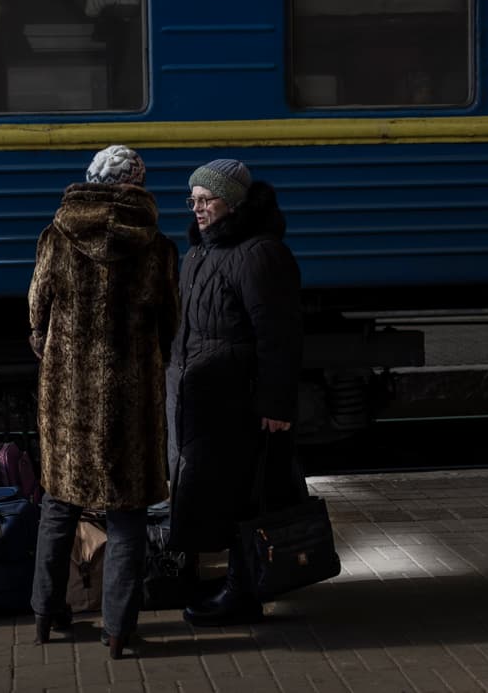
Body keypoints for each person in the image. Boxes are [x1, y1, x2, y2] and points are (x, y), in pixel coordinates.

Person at [27, 144, 180, 659]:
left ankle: (46, 614)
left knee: (58, 507)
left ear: (90, 179)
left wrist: (52, 354)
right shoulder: (157, 246)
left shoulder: (56, 236)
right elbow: (169, 326)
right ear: (137, 184)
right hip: (130, 405)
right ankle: (118, 630)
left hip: (67, 403)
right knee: (128, 515)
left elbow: (37, 311)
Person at [166, 158, 304, 626]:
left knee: (249, 497)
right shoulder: (201, 253)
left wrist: (275, 403)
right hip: (203, 397)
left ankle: (243, 593)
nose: (198, 208)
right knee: (209, 493)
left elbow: (279, 335)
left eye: (207, 200)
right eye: (194, 200)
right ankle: (219, 583)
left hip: (239, 397)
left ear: (234, 203)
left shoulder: (259, 253)